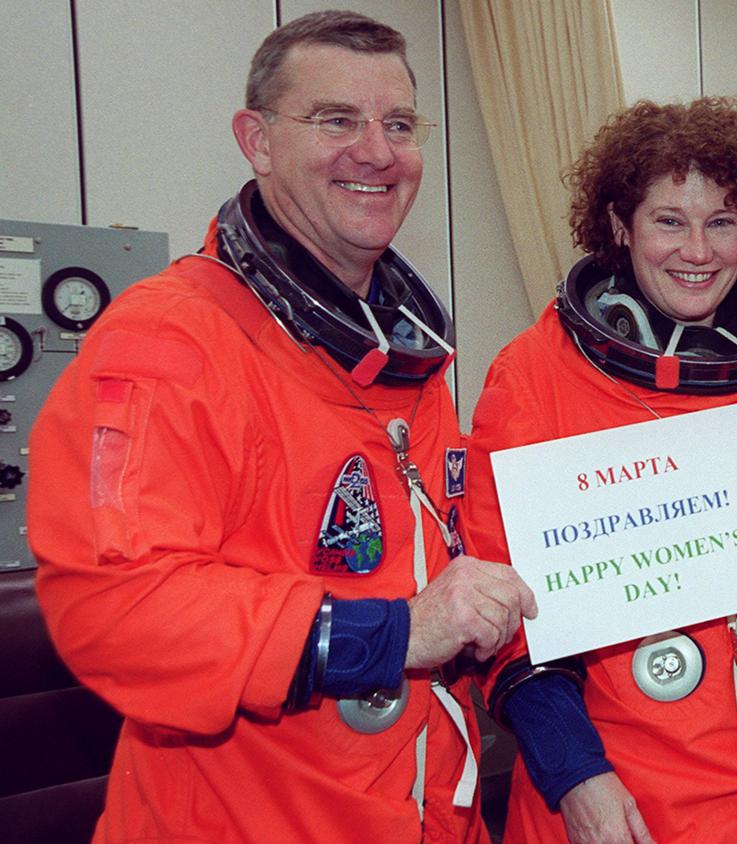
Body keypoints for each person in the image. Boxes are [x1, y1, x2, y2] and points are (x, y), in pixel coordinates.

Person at [27, 11, 535, 842]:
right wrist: (398, 632)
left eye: (398, 124)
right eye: (336, 119)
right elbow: (116, 608)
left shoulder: (403, 356)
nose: (375, 151)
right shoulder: (170, 339)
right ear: (257, 141)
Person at [464, 97, 737, 844]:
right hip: (620, 809)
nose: (697, 250)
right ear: (620, 225)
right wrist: (573, 775)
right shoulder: (533, 378)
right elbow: (503, 612)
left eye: (722, 222)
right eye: (669, 220)